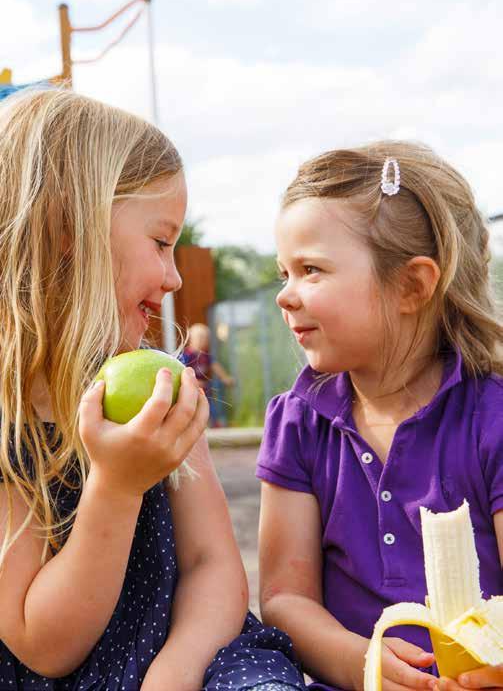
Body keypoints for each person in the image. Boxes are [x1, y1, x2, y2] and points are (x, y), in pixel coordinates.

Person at [0, 88, 306, 691]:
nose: (173, 276)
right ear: (70, 231)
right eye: (161, 242)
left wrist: (176, 671)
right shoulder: (8, 412)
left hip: (190, 654)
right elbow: (43, 644)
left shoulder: (159, 386)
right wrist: (117, 484)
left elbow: (213, 566)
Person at [256, 143, 503, 691]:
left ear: (412, 286)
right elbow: (284, 597)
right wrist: (360, 661)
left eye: (311, 270)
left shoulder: (493, 420)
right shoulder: (298, 424)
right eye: (284, 273)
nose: (285, 296)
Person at [182, 323, 235, 426]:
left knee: (210, 405)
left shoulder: (205, 356)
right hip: (190, 388)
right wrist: (195, 382)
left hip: (204, 388)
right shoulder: (187, 355)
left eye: (205, 338)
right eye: (199, 337)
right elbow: (182, 370)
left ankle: (215, 424)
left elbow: (215, 366)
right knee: (192, 407)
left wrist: (225, 378)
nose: (202, 340)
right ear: (191, 339)